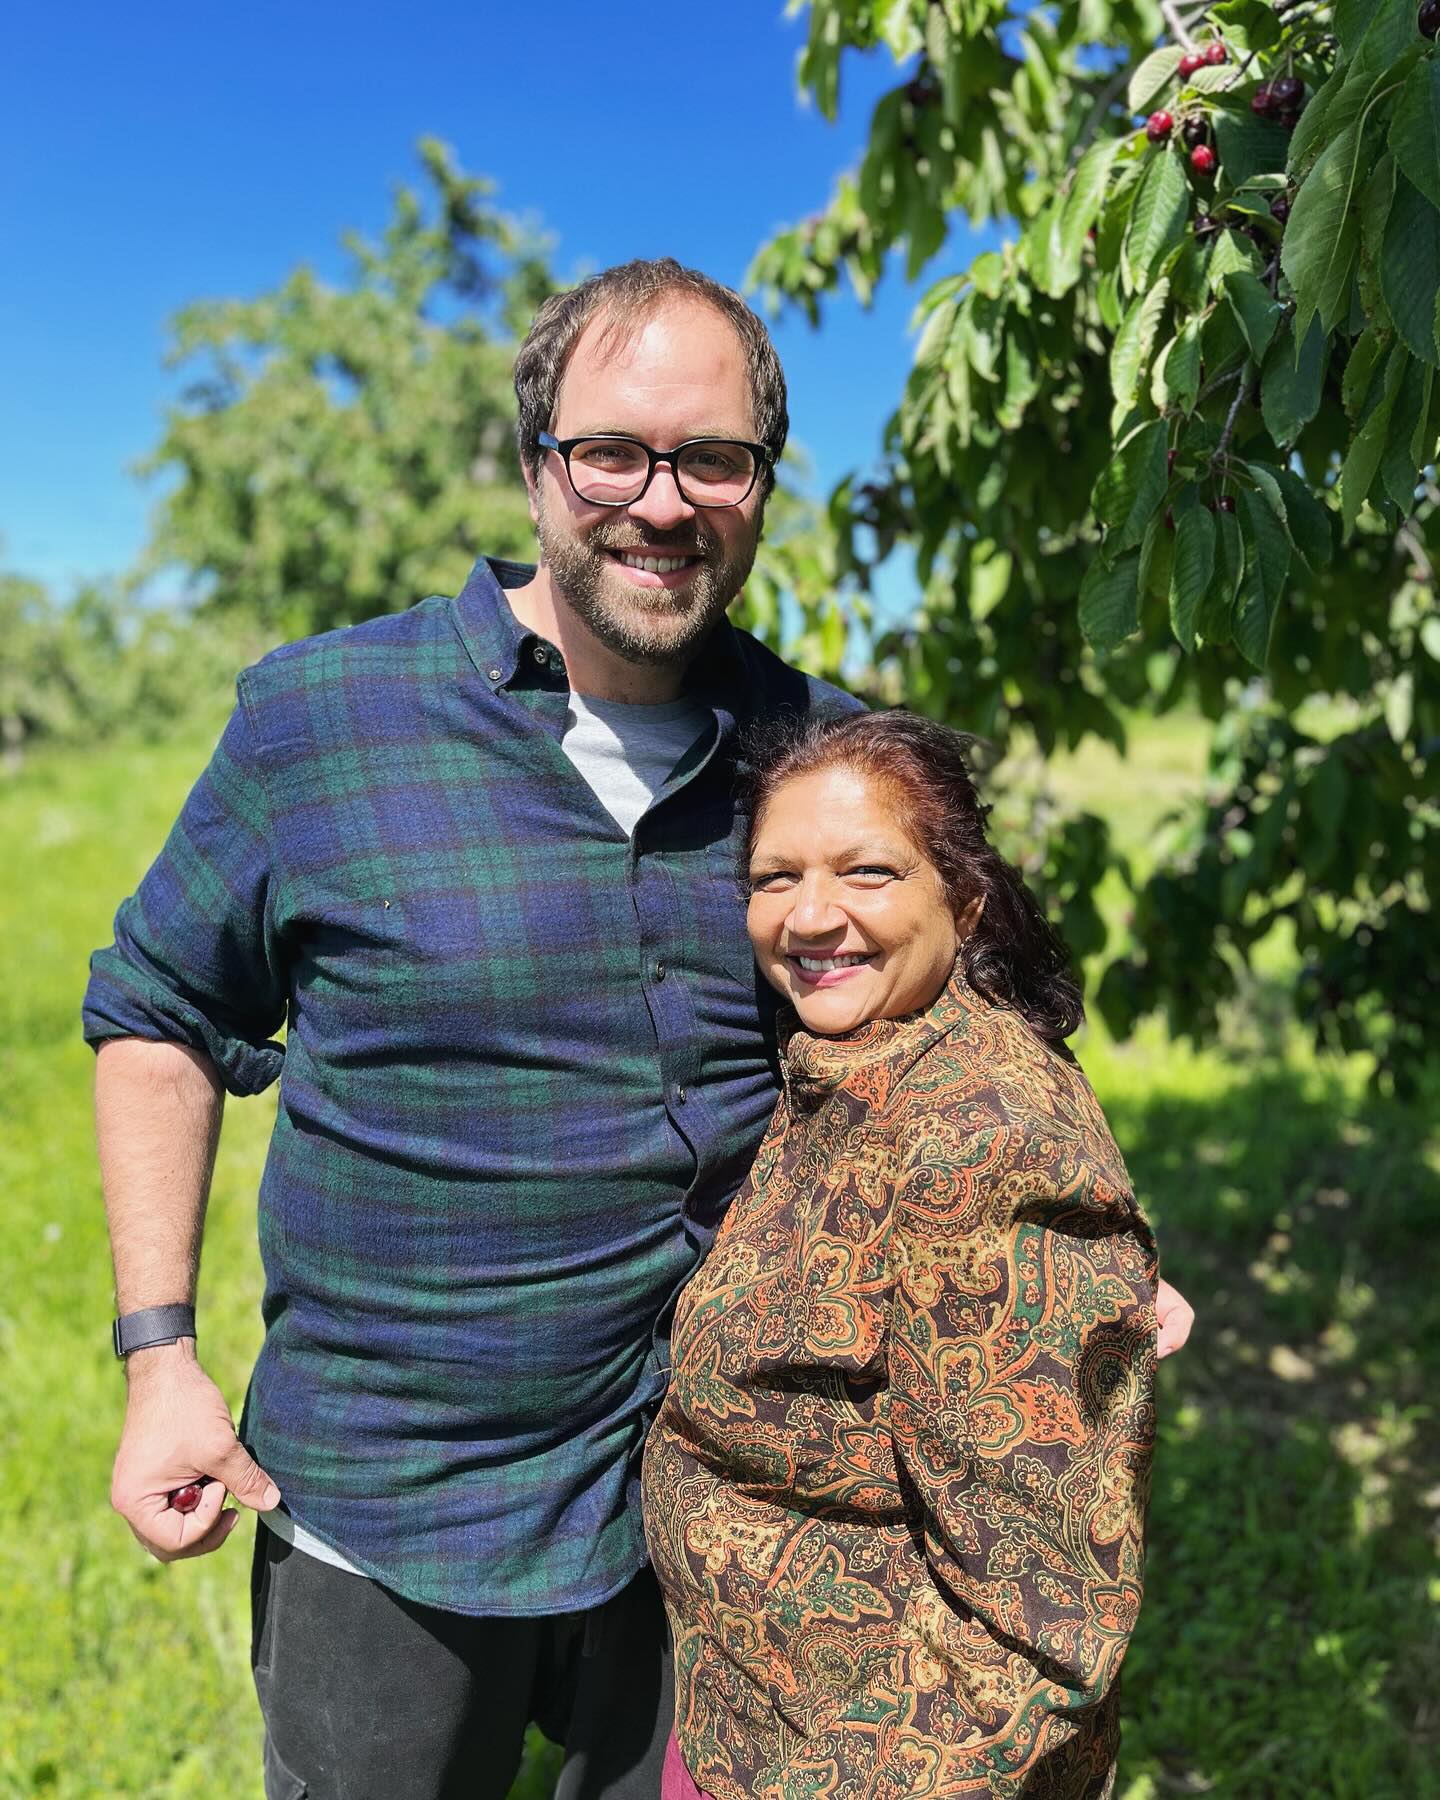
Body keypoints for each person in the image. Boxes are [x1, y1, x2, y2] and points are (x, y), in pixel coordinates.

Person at [84, 259, 1190, 1800]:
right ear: (537, 462)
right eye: (612, 451)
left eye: (712, 460)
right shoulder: (321, 722)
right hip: (393, 1505)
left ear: (762, 484)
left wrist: (1077, 1249)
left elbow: (962, 1001)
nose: (662, 503)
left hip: (725, 1516)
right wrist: (159, 1360)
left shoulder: (815, 753)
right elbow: (156, 1013)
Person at [644, 710, 1156, 1800]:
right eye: (775, 878)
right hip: (748, 1722)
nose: (808, 915)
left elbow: (1039, 1624)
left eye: (867, 871)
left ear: (962, 901)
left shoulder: (983, 1143)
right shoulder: (860, 1058)